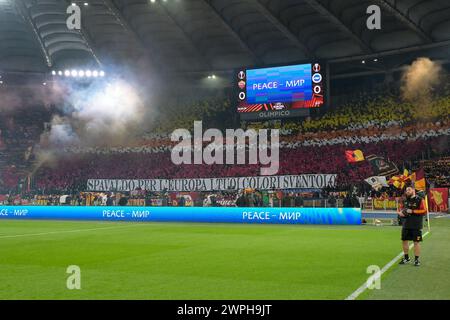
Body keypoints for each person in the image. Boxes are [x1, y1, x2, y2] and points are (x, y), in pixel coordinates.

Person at [397, 187, 427, 266]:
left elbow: (424, 210)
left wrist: (413, 211)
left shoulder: (420, 199)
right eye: (406, 190)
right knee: (404, 241)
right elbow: (400, 209)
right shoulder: (404, 200)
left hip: (416, 225)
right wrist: (400, 213)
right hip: (406, 224)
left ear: (413, 191)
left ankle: (417, 260)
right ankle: (406, 258)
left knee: (416, 242)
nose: (407, 191)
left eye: (409, 190)